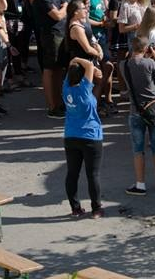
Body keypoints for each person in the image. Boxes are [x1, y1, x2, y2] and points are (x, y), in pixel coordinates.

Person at [123, 36, 155, 196]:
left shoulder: (124, 65)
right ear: (146, 48)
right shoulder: (149, 63)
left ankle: (140, 184)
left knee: (138, 149)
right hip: (153, 109)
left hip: (135, 110)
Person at [63, 56, 104, 218]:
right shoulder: (85, 90)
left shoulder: (66, 88)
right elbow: (89, 66)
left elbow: (79, 68)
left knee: (72, 174)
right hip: (90, 136)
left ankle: (75, 208)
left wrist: (73, 61)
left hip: (70, 136)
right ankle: (96, 209)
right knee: (93, 174)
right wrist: (78, 58)